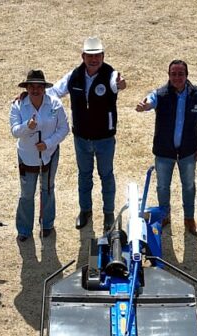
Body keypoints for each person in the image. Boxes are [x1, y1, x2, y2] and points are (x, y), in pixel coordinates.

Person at [47, 36, 127, 232]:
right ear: (83, 56)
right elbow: (53, 92)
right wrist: (30, 95)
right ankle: (85, 210)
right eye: (90, 56)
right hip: (81, 138)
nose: (94, 59)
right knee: (84, 176)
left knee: (106, 175)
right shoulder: (74, 76)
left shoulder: (110, 74)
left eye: (97, 55)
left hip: (105, 138)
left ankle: (108, 213)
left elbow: (117, 84)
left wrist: (120, 84)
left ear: (103, 56)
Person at [135, 59, 197, 237]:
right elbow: (150, 101)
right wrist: (145, 106)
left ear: (187, 75)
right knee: (162, 186)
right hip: (164, 151)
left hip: (188, 151)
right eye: (173, 74)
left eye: (180, 74)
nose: (177, 77)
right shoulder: (160, 94)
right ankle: (164, 216)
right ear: (168, 75)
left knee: (189, 186)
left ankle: (189, 218)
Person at [9, 69, 70, 241]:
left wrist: (48, 143)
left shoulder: (55, 104)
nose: (35, 90)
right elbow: (14, 131)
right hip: (27, 157)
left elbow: (64, 128)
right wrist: (27, 126)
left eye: (39, 87)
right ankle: (24, 229)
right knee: (27, 194)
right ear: (26, 88)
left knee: (47, 189)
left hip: (49, 154)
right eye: (31, 87)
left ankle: (47, 224)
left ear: (44, 88)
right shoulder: (18, 105)